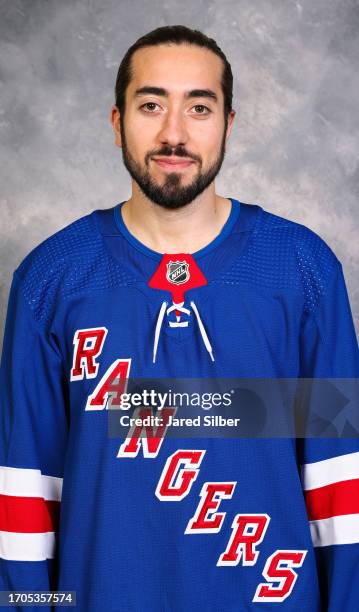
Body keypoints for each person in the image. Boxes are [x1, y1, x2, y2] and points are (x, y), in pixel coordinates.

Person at [0, 24, 358, 612]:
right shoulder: (51, 278)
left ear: (228, 124)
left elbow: (340, 488)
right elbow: (24, 496)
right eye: (151, 105)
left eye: (199, 106)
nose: (174, 133)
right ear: (117, 122)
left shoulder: (302, 270)